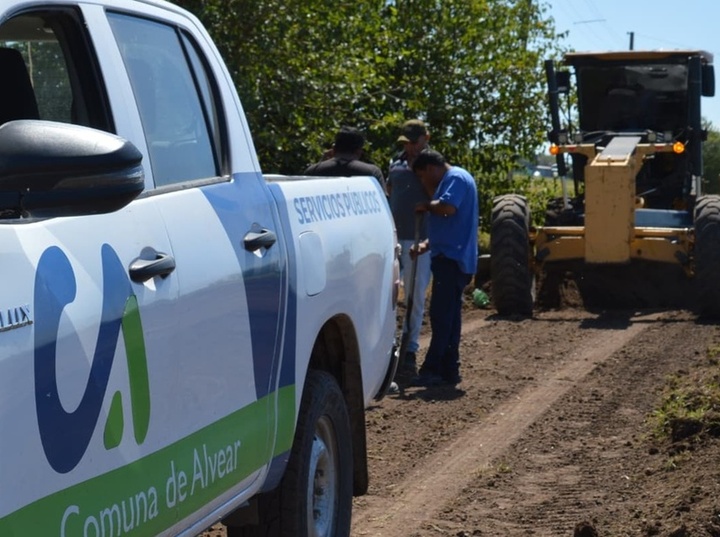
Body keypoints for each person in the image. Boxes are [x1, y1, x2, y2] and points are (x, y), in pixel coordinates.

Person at [409, 149, 479, 387]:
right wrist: (426, 245)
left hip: (452, 260)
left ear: (430, 168)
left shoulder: (455, 179)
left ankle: (433, 369)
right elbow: (450, 226)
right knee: (449, 317)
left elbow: (448, 209)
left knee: (441, 316)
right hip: (450, 256)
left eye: (421, 176)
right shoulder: (454, 179)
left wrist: (425, 206)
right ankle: (449, 368)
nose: (423, 181)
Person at [386, 119, 433, 375]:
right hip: (395, 237)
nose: (411, 148)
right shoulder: (396, 162)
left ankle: (410, 349)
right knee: (392, 295)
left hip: (419, 239)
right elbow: (390, 192)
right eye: (407, 143)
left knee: (415, 296)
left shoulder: (431, 166)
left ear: (426, 138)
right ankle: (390, 347)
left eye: (415, 142)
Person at [304, 126, 384, 184]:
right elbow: (383, 202)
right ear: (359, 151)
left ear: (334, 149)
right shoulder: (372, 173)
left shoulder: (312, 172)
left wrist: (320, 163)